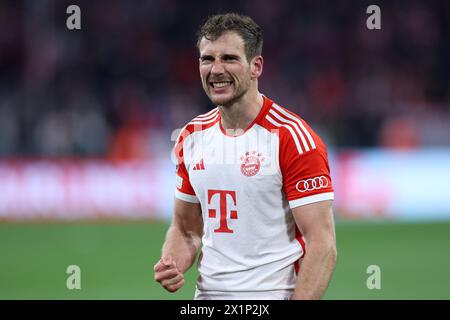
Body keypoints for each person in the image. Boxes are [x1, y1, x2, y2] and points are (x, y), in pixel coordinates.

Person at [154, 13, 337, 300]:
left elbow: (322, 243)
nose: (216, 70)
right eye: (207, 59)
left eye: (229, 58)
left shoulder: (292, 138)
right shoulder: (191, 136)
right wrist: (172, 262)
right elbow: (186, 229)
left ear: (256, 67)